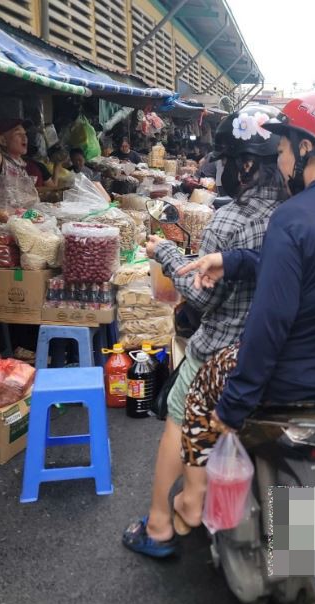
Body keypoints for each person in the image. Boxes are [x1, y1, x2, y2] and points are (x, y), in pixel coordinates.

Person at [169, 92, 315, 529]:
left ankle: (192, 500)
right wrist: (233, 261)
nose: (282, 162)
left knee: (200, 388)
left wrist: (234, 405)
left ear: (306, 148)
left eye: (284, 150)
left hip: (294, 377)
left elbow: (269, 325)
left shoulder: (295, 216)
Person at [122, 105, 287, 559]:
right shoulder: (302, 214)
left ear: (246, 165)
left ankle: (161, 523)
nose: (223, 171)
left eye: (228, 161)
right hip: (298, 357)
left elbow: (203, 299)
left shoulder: (230, 220)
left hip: (223, 349)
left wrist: (166, 254)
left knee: (178, 416)